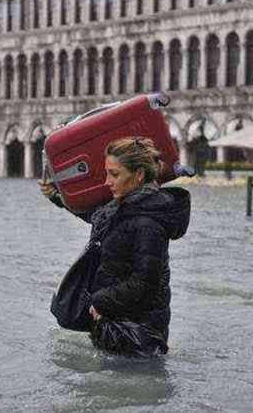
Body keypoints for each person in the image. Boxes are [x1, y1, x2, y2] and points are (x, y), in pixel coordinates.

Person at [40, 136, 191, 356]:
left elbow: (145, 283)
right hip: (117, 325)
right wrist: (57, 196)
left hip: (140, 335)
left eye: (114, 174)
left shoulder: (149, 221)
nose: (106, 181)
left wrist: (99, 302)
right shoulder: (124, 206)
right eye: (107, 173)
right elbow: (97, 216)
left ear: (138, 175)